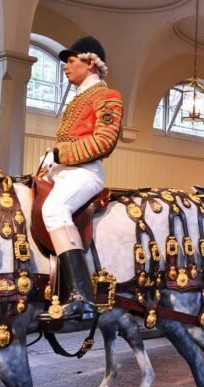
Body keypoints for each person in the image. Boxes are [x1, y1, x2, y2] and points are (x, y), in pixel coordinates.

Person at [38, 36, 123, 320]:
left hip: (85, 173)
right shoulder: (77, 99)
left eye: (71, 61)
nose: (66, 67)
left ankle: (81, 295)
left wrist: (59, 154)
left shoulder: (107, 96)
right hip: (62, 173)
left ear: (90, 63)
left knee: (55, 209)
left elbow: (104, 141)